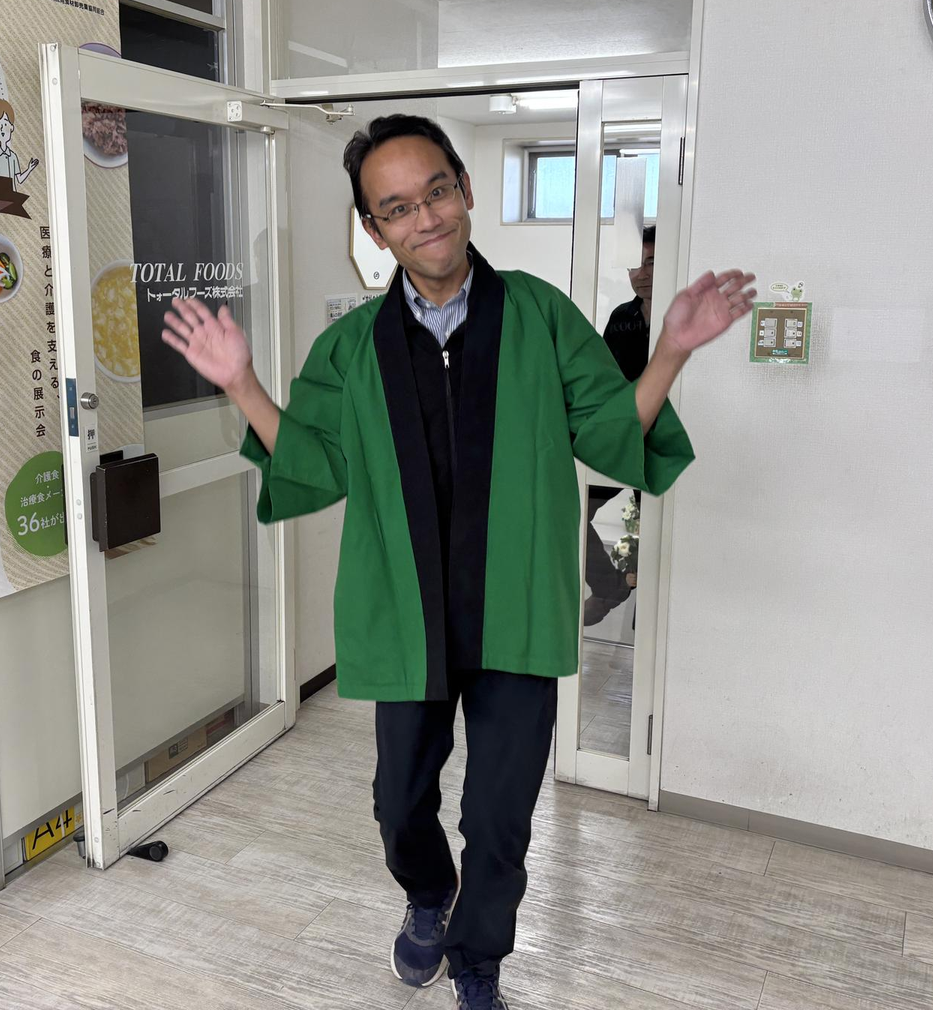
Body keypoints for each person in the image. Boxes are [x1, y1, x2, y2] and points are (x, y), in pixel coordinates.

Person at [161, 115, 753, 1009]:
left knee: (500, 819)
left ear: (465, 189)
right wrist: (242, 384)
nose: (425, 217)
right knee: (399, 803)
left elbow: (608, 433)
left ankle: (479, 960)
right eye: (396, 207)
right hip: (405, 612)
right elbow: (314, 464)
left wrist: (669, 349)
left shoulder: (541, 316)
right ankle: (429, 895)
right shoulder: (353, 347)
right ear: (375, 230)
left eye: (436, 191)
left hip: (514, 607)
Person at [583, 224, 657, 627]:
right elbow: (604, 378)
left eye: (650, 263)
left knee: (657, 527)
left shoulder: (680, 318)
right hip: (622, 439)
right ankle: (609, 586)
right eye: (634, 265)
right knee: (575, 509)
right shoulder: (621, 317)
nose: (640, 273)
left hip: (661, 445)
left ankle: (647, 620)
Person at [0, 98, 38, 185]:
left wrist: (29, 169)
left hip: (12, 193)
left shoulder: (13, 156)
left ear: (11, 127)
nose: (2, 129)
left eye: (5, 124)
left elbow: (19, 179)